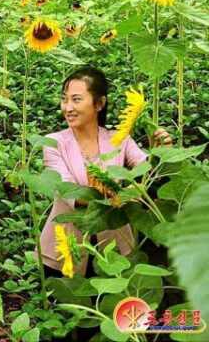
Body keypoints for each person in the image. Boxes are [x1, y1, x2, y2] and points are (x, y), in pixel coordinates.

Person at [39, 67, 171, 277]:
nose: (68, 107)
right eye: (65, 99)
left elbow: (147, 171)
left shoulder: (119, 139)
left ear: (99, 103)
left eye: (76, 99)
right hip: (65, 249)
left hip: (115, 248)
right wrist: (123, 195)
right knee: (68, 302)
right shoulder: (53, 142)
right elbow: (66, 190)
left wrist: (161, 152)